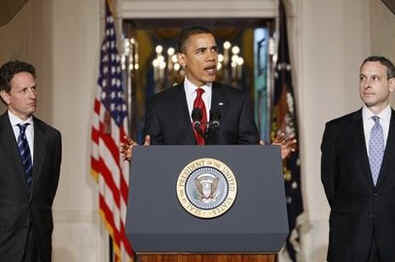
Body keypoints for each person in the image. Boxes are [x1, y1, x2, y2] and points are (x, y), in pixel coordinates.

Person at [121, 26, 295, 159]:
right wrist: (141, 158)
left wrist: (270, 156)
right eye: (201, 51)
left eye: (214, 49)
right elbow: (155, 158)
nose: (211, 57)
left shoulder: (237, 100)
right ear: (182, 59)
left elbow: (249, 153)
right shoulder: (159, 104)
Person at [321, 56, 395, 262]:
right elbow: (331, 184)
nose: (367, 84)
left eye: (375, 78)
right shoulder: (336, 130)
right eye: (362, 78)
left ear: (391, 84)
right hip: (349, 241)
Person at [0, 60, 62, 262]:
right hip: (4, 244)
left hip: (39, 244)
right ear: (6, 95)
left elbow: (47, 191)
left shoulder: (52, 137)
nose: (33, 95)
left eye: (33, 88)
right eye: (24, 90)